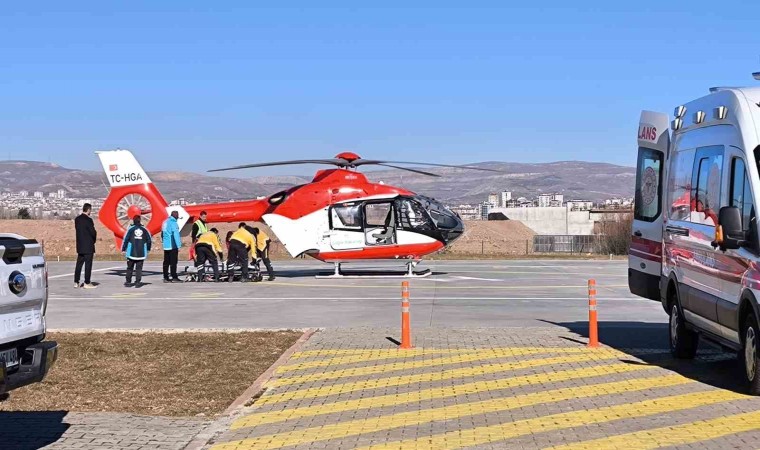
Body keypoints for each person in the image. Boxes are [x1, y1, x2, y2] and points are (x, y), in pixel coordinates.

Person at [121, 215, 152, 288]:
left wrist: (123, 249)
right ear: (140, 220)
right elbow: (149, 240)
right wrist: (148, 249)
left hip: (131, 253)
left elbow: (126, 239)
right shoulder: (145, 230)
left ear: (133, 221)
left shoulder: (130, 229)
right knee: (139, 269)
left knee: (129, 268)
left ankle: (128, 282)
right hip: (141, 253)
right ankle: (138, 282)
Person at [74, 203, 97, 289]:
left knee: (79, 264)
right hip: (88, 246)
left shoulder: (77, 219)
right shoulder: (89, 220)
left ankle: (76, 281)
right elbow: (93, 232)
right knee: (88, 265)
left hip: (80, 245)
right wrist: (93, 240)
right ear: (88, 210)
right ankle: (87, 282)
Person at [161, 211, 182, 283]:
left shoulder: (165, 222)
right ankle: (174, 277)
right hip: (172, 246)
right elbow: (176, 234)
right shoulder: (173, 223)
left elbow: (162, 233)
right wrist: (179, 245)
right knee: (173, 262)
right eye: (177, 217)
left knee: (166, 262)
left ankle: (165, 277)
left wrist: (163, 242)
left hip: (166, 246)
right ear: (176, 216)